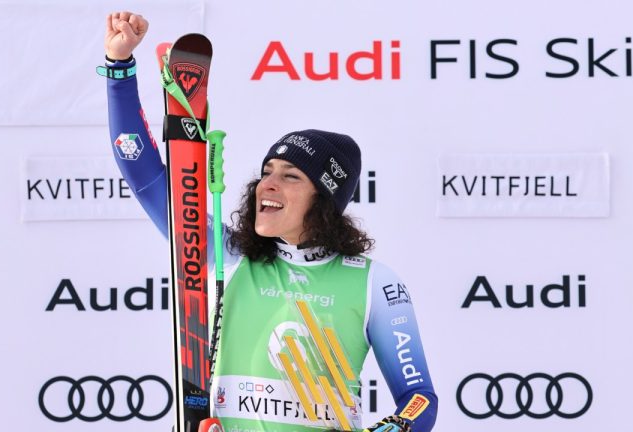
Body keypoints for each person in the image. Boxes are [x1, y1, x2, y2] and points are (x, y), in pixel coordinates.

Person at [102, 11, 438, 432]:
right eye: (267, 172)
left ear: (325, 200)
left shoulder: (374, 284)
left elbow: (420, 398)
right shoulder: (226, 255)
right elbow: (144, 172)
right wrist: (119, 68)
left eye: (290, 176)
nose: (267, 185)